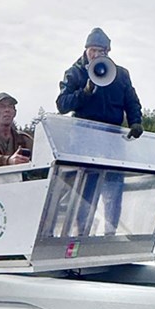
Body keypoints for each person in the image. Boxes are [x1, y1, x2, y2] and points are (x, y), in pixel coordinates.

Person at [56, 27, 143, 235]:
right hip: (84, 143)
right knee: (85, 194)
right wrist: (84, 93)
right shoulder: (75, 72)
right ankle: (81, 235)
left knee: (114, 192)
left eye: (101, 52)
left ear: (108, 52)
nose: (96, 55)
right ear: (86, 50)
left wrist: (136, 122)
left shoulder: (120, 75)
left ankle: (109, 236)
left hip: (113, 143)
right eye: (93, 50)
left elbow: (131, 101)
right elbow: (62, 104)